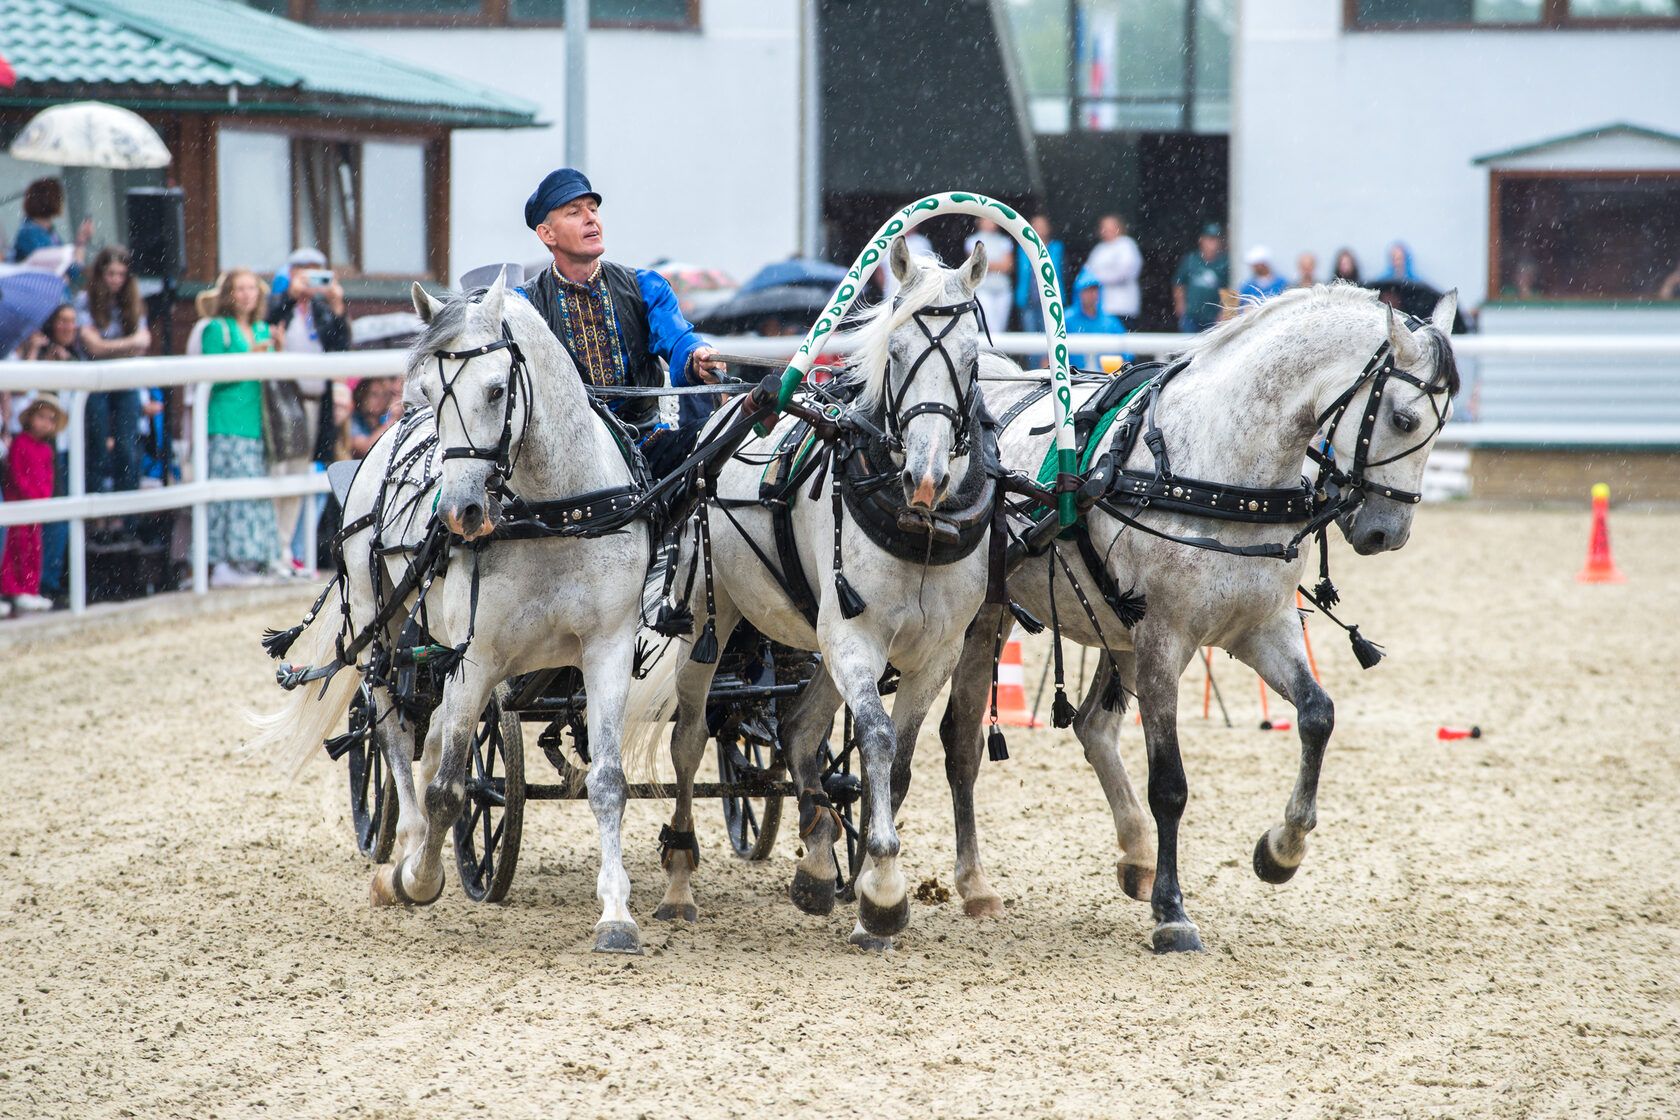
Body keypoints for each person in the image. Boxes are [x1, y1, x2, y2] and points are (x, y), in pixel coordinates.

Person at [515, 168, 724, 478]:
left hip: (647, 446)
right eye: (574, 212)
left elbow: (679, 340)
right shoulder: (525, 306)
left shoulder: (645, 286)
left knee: (719, 440)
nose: (591, 219)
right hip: (567, 460)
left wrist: (697, 357)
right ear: (547, 234)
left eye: (594, 210)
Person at [266, 247, 352, 573]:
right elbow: (268, 323)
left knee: (313, 475)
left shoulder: (321, 307)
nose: (312, 280)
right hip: (287, 401)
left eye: (319, 272)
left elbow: (339, 345)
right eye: (305, 272)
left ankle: (298, 552)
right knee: (287, 473)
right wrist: (290, 296)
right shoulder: (279, 302)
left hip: (321, 403)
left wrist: (336, 305)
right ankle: (280, 550)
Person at [199, 269, 281, 588]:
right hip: (225, 421)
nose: (247, 294)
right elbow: (210, 375)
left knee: (252, 495)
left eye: (251, 288)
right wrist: (251, 357)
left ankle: (248, 560)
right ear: (228, 294)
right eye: (239, 288)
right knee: (228, 494)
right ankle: (222, 562)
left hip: (256, 423)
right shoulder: (216, 329)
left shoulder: (262, 329)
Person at [76, 246, 154, 498]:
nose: (116, 280)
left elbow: (143, 342)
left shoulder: (132, 303)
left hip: (125, 382)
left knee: (126, 446)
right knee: (97, 446)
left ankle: (126, 518)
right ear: (101, 274)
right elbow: (93, 347)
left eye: (121, 274)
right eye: (111, 273)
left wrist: (108, 347)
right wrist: (126, 346)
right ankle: (97, 520)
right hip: (96, 382)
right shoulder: (85, 300)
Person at [1, 394, 67, 613]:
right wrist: (33, 495)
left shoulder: (46, 450)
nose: (45, 423)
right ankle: (14, 589)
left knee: (33, 550)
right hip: (19, 507)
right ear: (30, 417)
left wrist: (42, 497)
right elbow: (17, 476)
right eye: (41, 416)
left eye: (50, 419)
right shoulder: (20, 443)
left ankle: (29, 589)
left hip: (34, 509)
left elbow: (48, 478)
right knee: (16, 549)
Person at [12, 178, 92, 289]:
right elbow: (53, 270)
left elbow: (72, 271)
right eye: (60, 197)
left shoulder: (48, 232)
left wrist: (81, 241)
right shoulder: (30, 233)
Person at [1083, 214, 1143, 329]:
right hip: (1102, 309)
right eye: (1104, 227)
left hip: (1123, 307)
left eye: (1111, 226)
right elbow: (1087, 274)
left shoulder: (1127, 244)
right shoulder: (1098, 249)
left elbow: (1125, 272)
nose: (1107, 230)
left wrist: (1098, 277)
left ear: (1119, 227)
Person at [1065, 269, 1129, 372]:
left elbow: (1126, 358)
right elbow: (1048, 357)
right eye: (1087, 290)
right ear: (1079, 292)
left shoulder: (1111, 322)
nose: (1092, 294)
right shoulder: (1066, 320)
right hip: (1072, 381)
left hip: (1107, 382)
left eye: (1094, 289)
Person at [1172, 223, 1229, 333]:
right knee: (1189, 345)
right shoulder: (1190, 260)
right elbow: (1178, 283)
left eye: (1215, 239)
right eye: (1209, 239)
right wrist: (1180, 304)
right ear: (1201, 240)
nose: (1212, 243)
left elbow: (1228, 288)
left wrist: (1224, 312)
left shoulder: (1224, 263)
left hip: (1213, 317)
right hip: (1192, 314)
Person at [1013, 212, 1064, 335]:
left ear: (1048, 228)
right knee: (1030, 336)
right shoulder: (1023, 247)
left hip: (1050, 299)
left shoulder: (1056, 247)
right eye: (1036, 227)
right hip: (1028, 299)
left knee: (1051, 334)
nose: (1039, 230)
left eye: (1042, 227)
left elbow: (1055, 270)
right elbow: (1023, 271)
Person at [964, 217, 1014, 337]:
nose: (990, 223)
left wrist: (986, 264)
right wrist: (997, 265)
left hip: (1003, 290)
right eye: (986, 220)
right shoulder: (972, 241)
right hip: (982, 289)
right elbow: (973, 266)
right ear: (980, 222)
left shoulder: (1004, 241)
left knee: (999, 328)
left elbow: (1007, 266)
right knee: (991, 326)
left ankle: (996, 351)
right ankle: (995, 351)